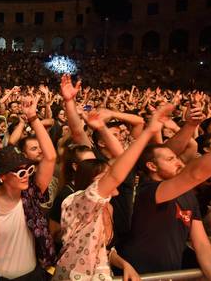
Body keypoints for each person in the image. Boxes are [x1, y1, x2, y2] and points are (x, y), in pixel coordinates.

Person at [52, 103, 172, 280]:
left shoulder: (108, 208)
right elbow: (117, 173)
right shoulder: (80, 201)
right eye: (105, 177)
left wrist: (124, 264)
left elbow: (100, 248)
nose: (113, 178)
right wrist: (149, 132)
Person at [117, 133, 211, 279]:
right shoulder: (147, 190)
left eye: (177, 158)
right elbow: (195, 174)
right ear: (152, 166)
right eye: (171, 159)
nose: (179, 163)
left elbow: (202, 246)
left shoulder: (188, 195)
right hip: (139, 275)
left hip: (170, 274)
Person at [0, 95, 57, 281]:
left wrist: (33, 118)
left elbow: (50, 157)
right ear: (2, 177)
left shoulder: (31, 193)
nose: (26, 174)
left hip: (33, 275)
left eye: (28, 169)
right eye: (19, 172)